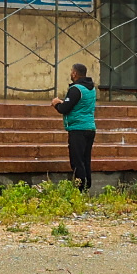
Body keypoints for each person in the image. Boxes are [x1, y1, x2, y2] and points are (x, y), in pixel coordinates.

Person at [54, 62, 97, 191]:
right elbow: (79, 105)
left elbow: (64, 108)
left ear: (74, 73)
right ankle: (87, 185)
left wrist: (56, 103)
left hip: (78, 129)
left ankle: (80, 188)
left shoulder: (76, 89)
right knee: (85, 159)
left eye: (71, 72)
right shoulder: (91, 88)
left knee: (77, 161)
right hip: (90, 128)